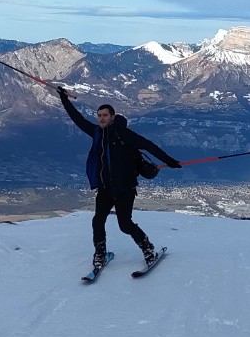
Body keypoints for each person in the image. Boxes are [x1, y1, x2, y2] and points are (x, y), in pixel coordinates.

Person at [57, 85, 181, 272]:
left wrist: (169, 161)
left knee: (125, 224)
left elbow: (148, 145)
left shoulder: (124, 134)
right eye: (99, 116)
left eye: (105, 115)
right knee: (97, 221)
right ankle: (100, 254)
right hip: (105, 188)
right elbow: (78, 119)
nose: (101, 119)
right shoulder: (97, 133)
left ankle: (148, 249)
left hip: (125, 188)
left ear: (113, 117)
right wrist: (64, 99)